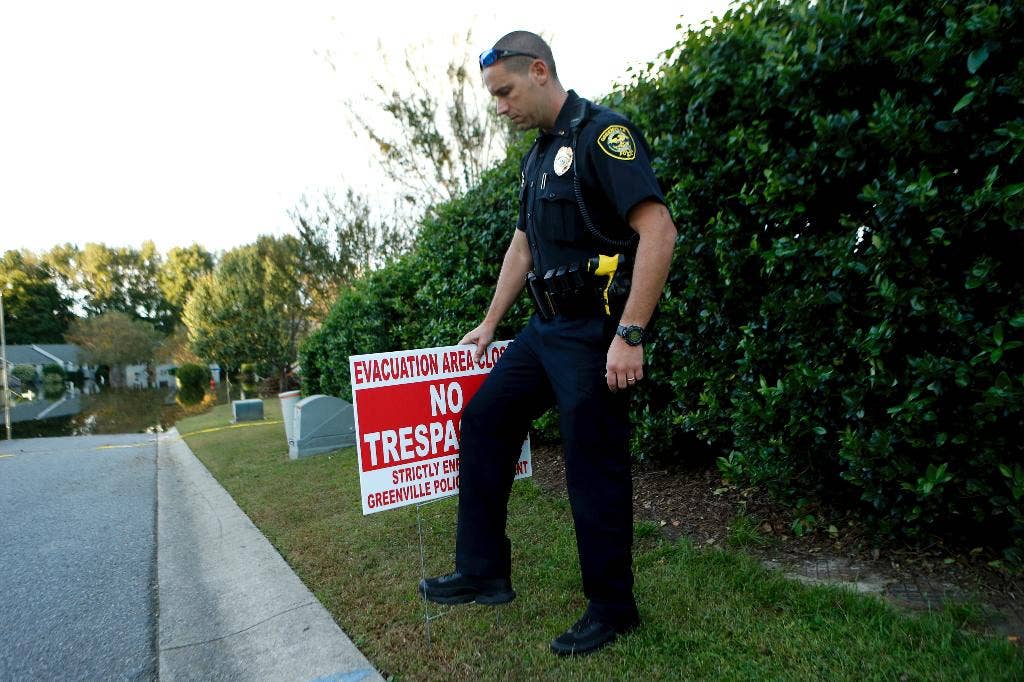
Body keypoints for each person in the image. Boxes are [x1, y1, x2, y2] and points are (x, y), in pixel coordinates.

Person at [419, 30, 677, 656]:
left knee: (593, 469)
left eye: (505, 91)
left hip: (595, 333)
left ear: (539, 71)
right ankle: (483, 572)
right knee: (483, 420)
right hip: (544, 331)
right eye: (493, 96)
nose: (500, 106)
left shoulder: (602, 136)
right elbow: (523, 245)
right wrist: (489, 322)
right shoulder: (537, 157)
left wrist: (630, 335)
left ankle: (613, 609)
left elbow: (659, 232)